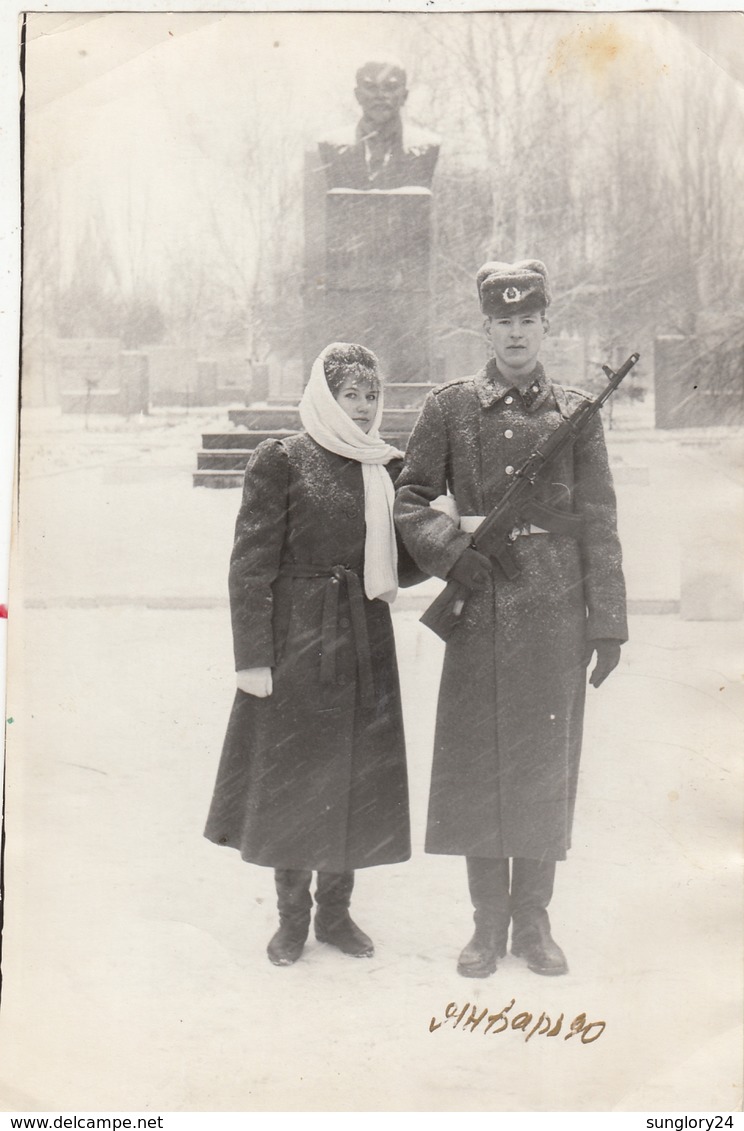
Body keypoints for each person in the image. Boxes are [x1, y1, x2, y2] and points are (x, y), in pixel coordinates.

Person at [394, 260, 628, 979]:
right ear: (486, 327)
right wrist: (452, 553)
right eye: (504, 322)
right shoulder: (449, 409)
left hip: (555, 610)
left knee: (541, 765)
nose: (517, 333)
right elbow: (409, 499)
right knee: (476, 764)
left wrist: (608, 621)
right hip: (480, 607)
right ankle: (486, 922)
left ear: (545, 325)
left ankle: (533, 918)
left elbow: (599, 518)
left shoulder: (577, 412)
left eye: (529, 321)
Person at [205, 342, 417, 967]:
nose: (361, 408)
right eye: (349, 394)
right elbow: (249, 566)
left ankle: (337, 915)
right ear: (326, 397)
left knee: (356, 778)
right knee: (297, 780)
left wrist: (449, 530)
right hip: (300, 641)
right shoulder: (283, 459)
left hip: (364, 638)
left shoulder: (385, 467)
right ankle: (292, 919)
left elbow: (402, 563)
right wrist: (254, 657)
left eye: (371, 395)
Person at [319, 58, 439, 190]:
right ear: (358, 95)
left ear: (404, 96)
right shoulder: (331, 145)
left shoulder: (427, 147)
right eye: (371, 87)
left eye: (390, 87)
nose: (380, 95)